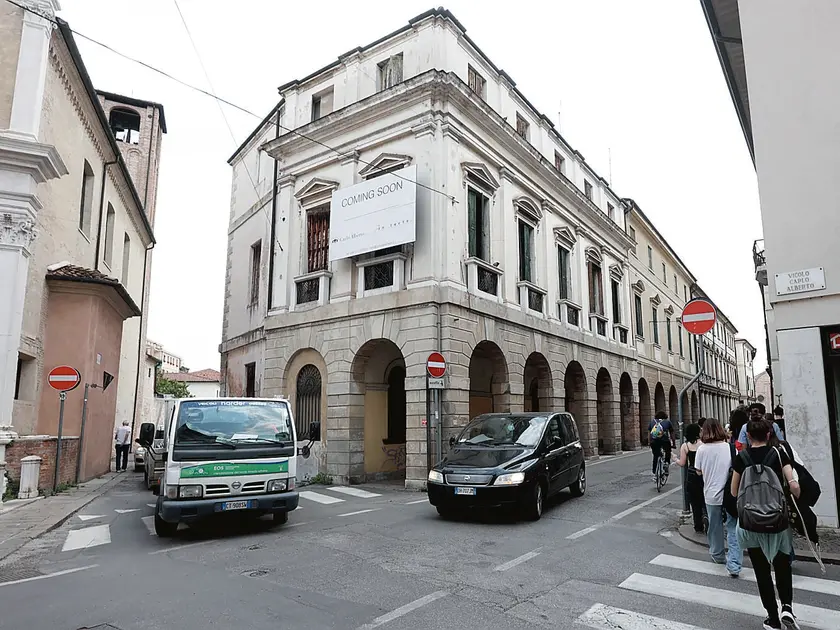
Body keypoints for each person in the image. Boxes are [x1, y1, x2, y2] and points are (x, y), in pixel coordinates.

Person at [732, 417, 801, 630]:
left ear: (749, 436)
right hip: (777, 520)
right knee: (782, 566)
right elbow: (794, 485)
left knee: (762, 572)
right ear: (769, 434)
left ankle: (772, 618)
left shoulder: (741, 458)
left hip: (751, 523)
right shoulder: (778, 454)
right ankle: (787, 608)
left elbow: (734, 492)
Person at [694, 418, 742, 577]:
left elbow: (698, 472)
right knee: (733, 527)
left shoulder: (701, 450)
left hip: (711, 495)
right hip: (731, 495)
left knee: (714, 527)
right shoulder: (730, 448)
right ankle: (734, 563)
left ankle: (717, 555)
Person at [676, 422, 705, 532]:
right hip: (703, 474)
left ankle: (698, 525)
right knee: (705, 499)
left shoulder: (686, 446)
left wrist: (675, 459)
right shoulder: (703, 444)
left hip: (692, 475)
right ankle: (707, 518)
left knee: (694, 501)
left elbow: (682, 463)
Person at [648, 410, 674, 479]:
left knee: (656, 456)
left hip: (654, 441)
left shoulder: (652, 422)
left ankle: (654, 472)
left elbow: (649, 434)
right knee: (668, 451)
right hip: (664, 441)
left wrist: (649, 442)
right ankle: (666, 463)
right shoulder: (667, 422)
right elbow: (672, 433)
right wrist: (673, 443)